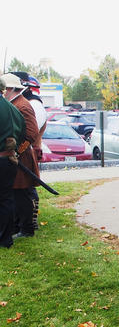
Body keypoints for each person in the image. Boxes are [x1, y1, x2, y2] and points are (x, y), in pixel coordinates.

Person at [0, 73, 40, 239]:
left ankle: (26, 228)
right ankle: (17, 226)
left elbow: (31, 133)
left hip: (20, 156)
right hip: (14, 155)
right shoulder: (15, 103)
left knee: (21, 195)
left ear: (10, 89)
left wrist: (16, 151)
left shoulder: (22, 105)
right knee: (14, 194)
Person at [10, 72, 47, 233]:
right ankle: (20, 224)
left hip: (24, 154)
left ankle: (28, 225)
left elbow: (31, 133)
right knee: (19, 192)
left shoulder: (27, 105)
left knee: (25, 191)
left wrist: (17, 151)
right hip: (20, 154)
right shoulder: (19, 103)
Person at [0, 78, 25, 248]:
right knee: (6, 199)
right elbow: (22, 134)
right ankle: (5, 239)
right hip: (8, 160)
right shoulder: (14, 110)